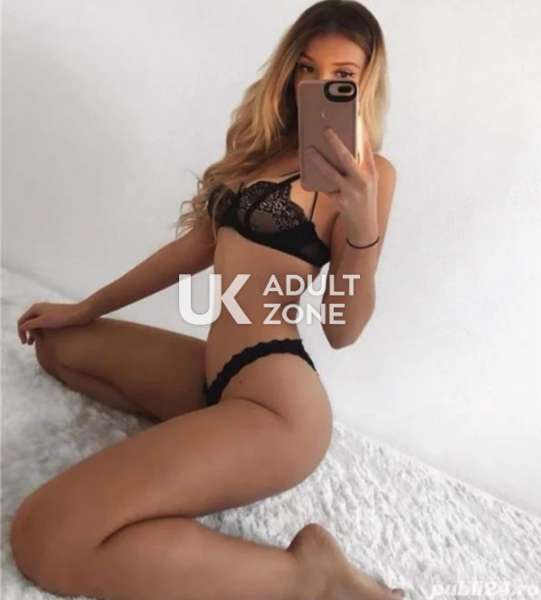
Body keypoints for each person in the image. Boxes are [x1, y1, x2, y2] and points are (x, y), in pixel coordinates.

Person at [11, 1, 402, 599]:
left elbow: (343, 330)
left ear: (365, 84)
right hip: (211, 375)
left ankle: (309, 578)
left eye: (342, 76)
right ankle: (204, 441)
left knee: (45, 539)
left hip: (277, 403)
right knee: (60, 346)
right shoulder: (259, 149)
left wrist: (362, 225)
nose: (320, 86)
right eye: (307, 68)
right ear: (289, 71)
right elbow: (190, 251)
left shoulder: (370, 176)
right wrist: (85, 307)